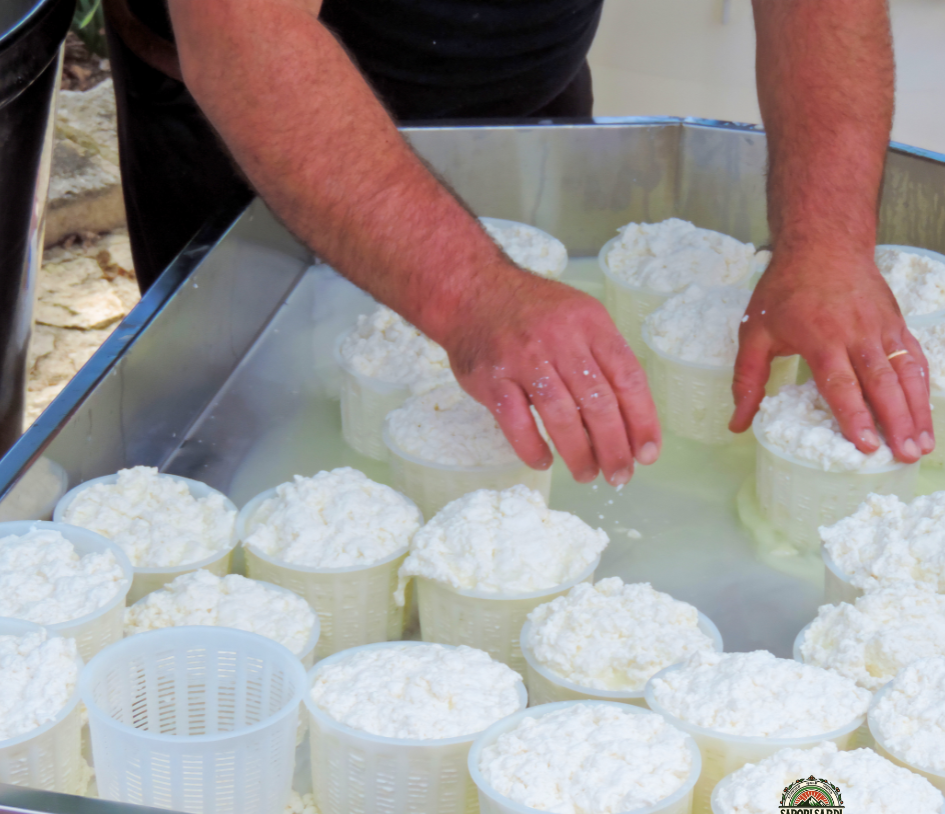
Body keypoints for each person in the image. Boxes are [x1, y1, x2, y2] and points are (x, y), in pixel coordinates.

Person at [102, 0, 934, 489]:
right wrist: (473, 293)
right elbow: (245, 35)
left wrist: (826, 244)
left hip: (520, 86)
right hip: (255, 133)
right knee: (240, 465)